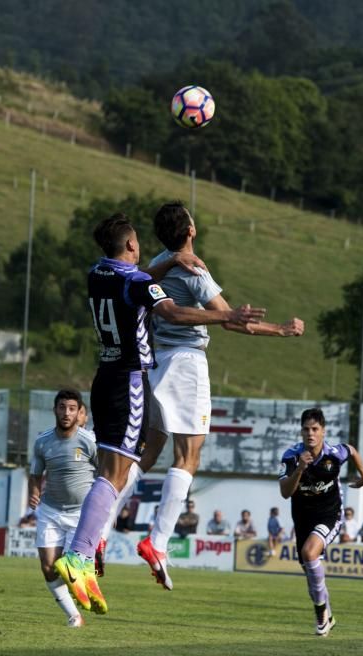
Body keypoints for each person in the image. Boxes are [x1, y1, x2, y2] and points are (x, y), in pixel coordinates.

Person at [54, 211, 265, 615]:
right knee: (116, 475)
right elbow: (170, 312)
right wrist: (227, 315)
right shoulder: (137, 282)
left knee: (115, 471)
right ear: (131, 246)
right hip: (130, 381)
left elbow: (145, 274)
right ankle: (79, 555)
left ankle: (83, 557)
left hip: (103, 377)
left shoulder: (97, 272)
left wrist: (169, 262)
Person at [135, 203, 303, 592]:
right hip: (186, 362)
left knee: (149, 452)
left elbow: (141, 280)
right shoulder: (194, 269)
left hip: (158, 362)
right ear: (190, 229)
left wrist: (173, 255)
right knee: (189, 456)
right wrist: (281, 329)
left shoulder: (161, 260)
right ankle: (157, 542)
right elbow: (230, 318)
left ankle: (101, 530)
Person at [279, 408, 363, 636]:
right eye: (306, 429)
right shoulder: (290, 457)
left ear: (323, 431)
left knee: (310, 553)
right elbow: (285, 492)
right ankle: (328, 614)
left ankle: (320, 613)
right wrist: (300, 468)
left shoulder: (334, 454)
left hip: (329, 515)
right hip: (302, 518)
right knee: (310, 574)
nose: (311, 433)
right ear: (301, 432)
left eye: (315, 429)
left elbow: (352, 451)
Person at [29, 389, 99, 628]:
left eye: (71, 408)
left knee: (70, 567)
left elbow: (107, 476)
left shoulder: (89, 441)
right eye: (62, 407)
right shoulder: (42, 441)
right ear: (55, 410)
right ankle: (74, 615)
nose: (66, 413)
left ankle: (86, 587)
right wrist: (34, 492)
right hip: (50, 511)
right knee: (48, 567)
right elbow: (35, 473)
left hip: (81, 513)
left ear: (79, 412)